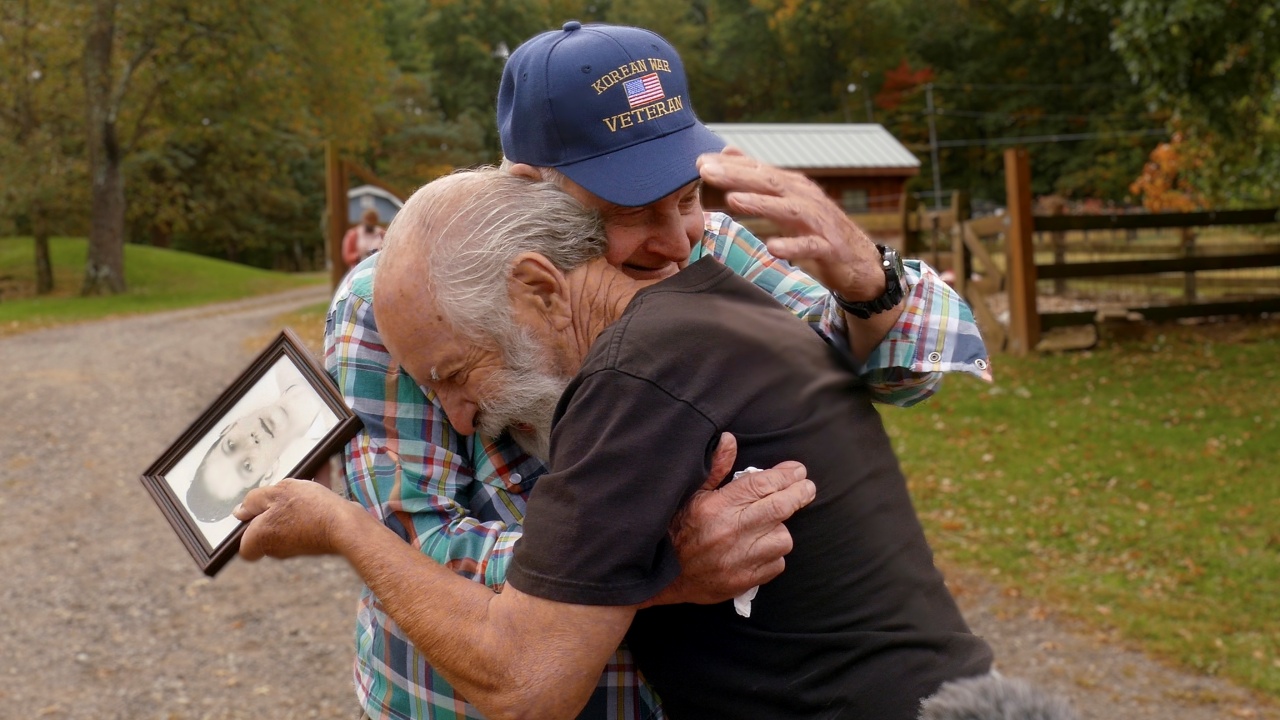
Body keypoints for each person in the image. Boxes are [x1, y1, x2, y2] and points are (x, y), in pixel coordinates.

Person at [320, 22, 991, 720]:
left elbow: (906, 372)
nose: (674, 241)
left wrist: (865, 280)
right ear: (532, 188)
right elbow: (410, 540)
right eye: (630, 208)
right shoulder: (398, 304)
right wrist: (649, 565)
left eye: (687, 195)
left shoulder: (704, 250)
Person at [187, 363, 334, 523]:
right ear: (269, 473)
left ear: (229, 428)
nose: (251, 442)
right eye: (247, 466)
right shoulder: (341, 438)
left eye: (231, 446)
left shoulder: (283, 363)